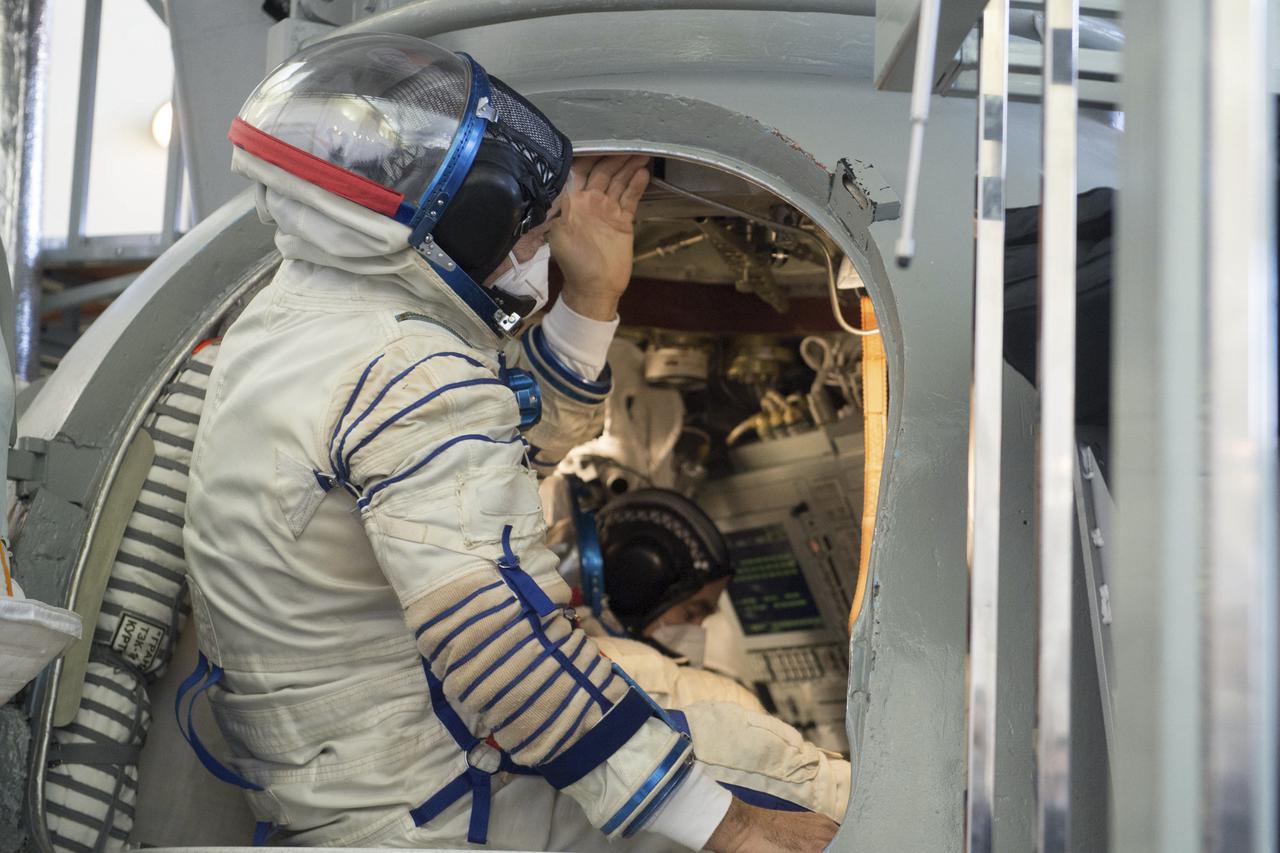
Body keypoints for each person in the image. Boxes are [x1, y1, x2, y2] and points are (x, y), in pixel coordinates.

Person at [180, 32, 839, 852]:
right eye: (531, 227)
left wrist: (594, 295)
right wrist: (728, 826)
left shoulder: (293, 325)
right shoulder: (405, 366)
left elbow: (480, 460)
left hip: (347, 788)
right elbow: (497, 644)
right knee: (800, 782)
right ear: (471, 222)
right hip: (443, 805)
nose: (537, 249)